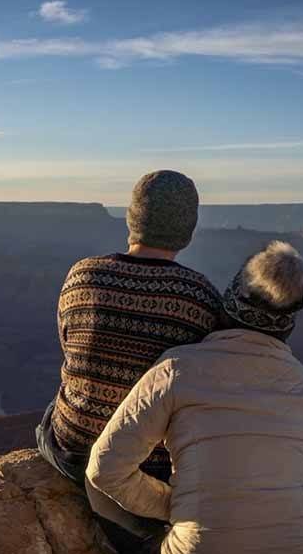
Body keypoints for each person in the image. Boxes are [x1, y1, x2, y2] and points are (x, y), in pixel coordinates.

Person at [85, 241, 303, 554]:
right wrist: (287, 509)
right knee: (297, 481)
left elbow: (106, 469)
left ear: (229, 302)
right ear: (289, 322)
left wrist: (181, 507)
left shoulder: (177, 370)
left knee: (93, 485)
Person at [35, 170, 223, 486]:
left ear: (132, 218)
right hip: (150, 468)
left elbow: (71, 349)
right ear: (187, 229)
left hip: (75, 451)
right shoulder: (200, 297)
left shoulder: (82, 275)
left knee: (55, 406)